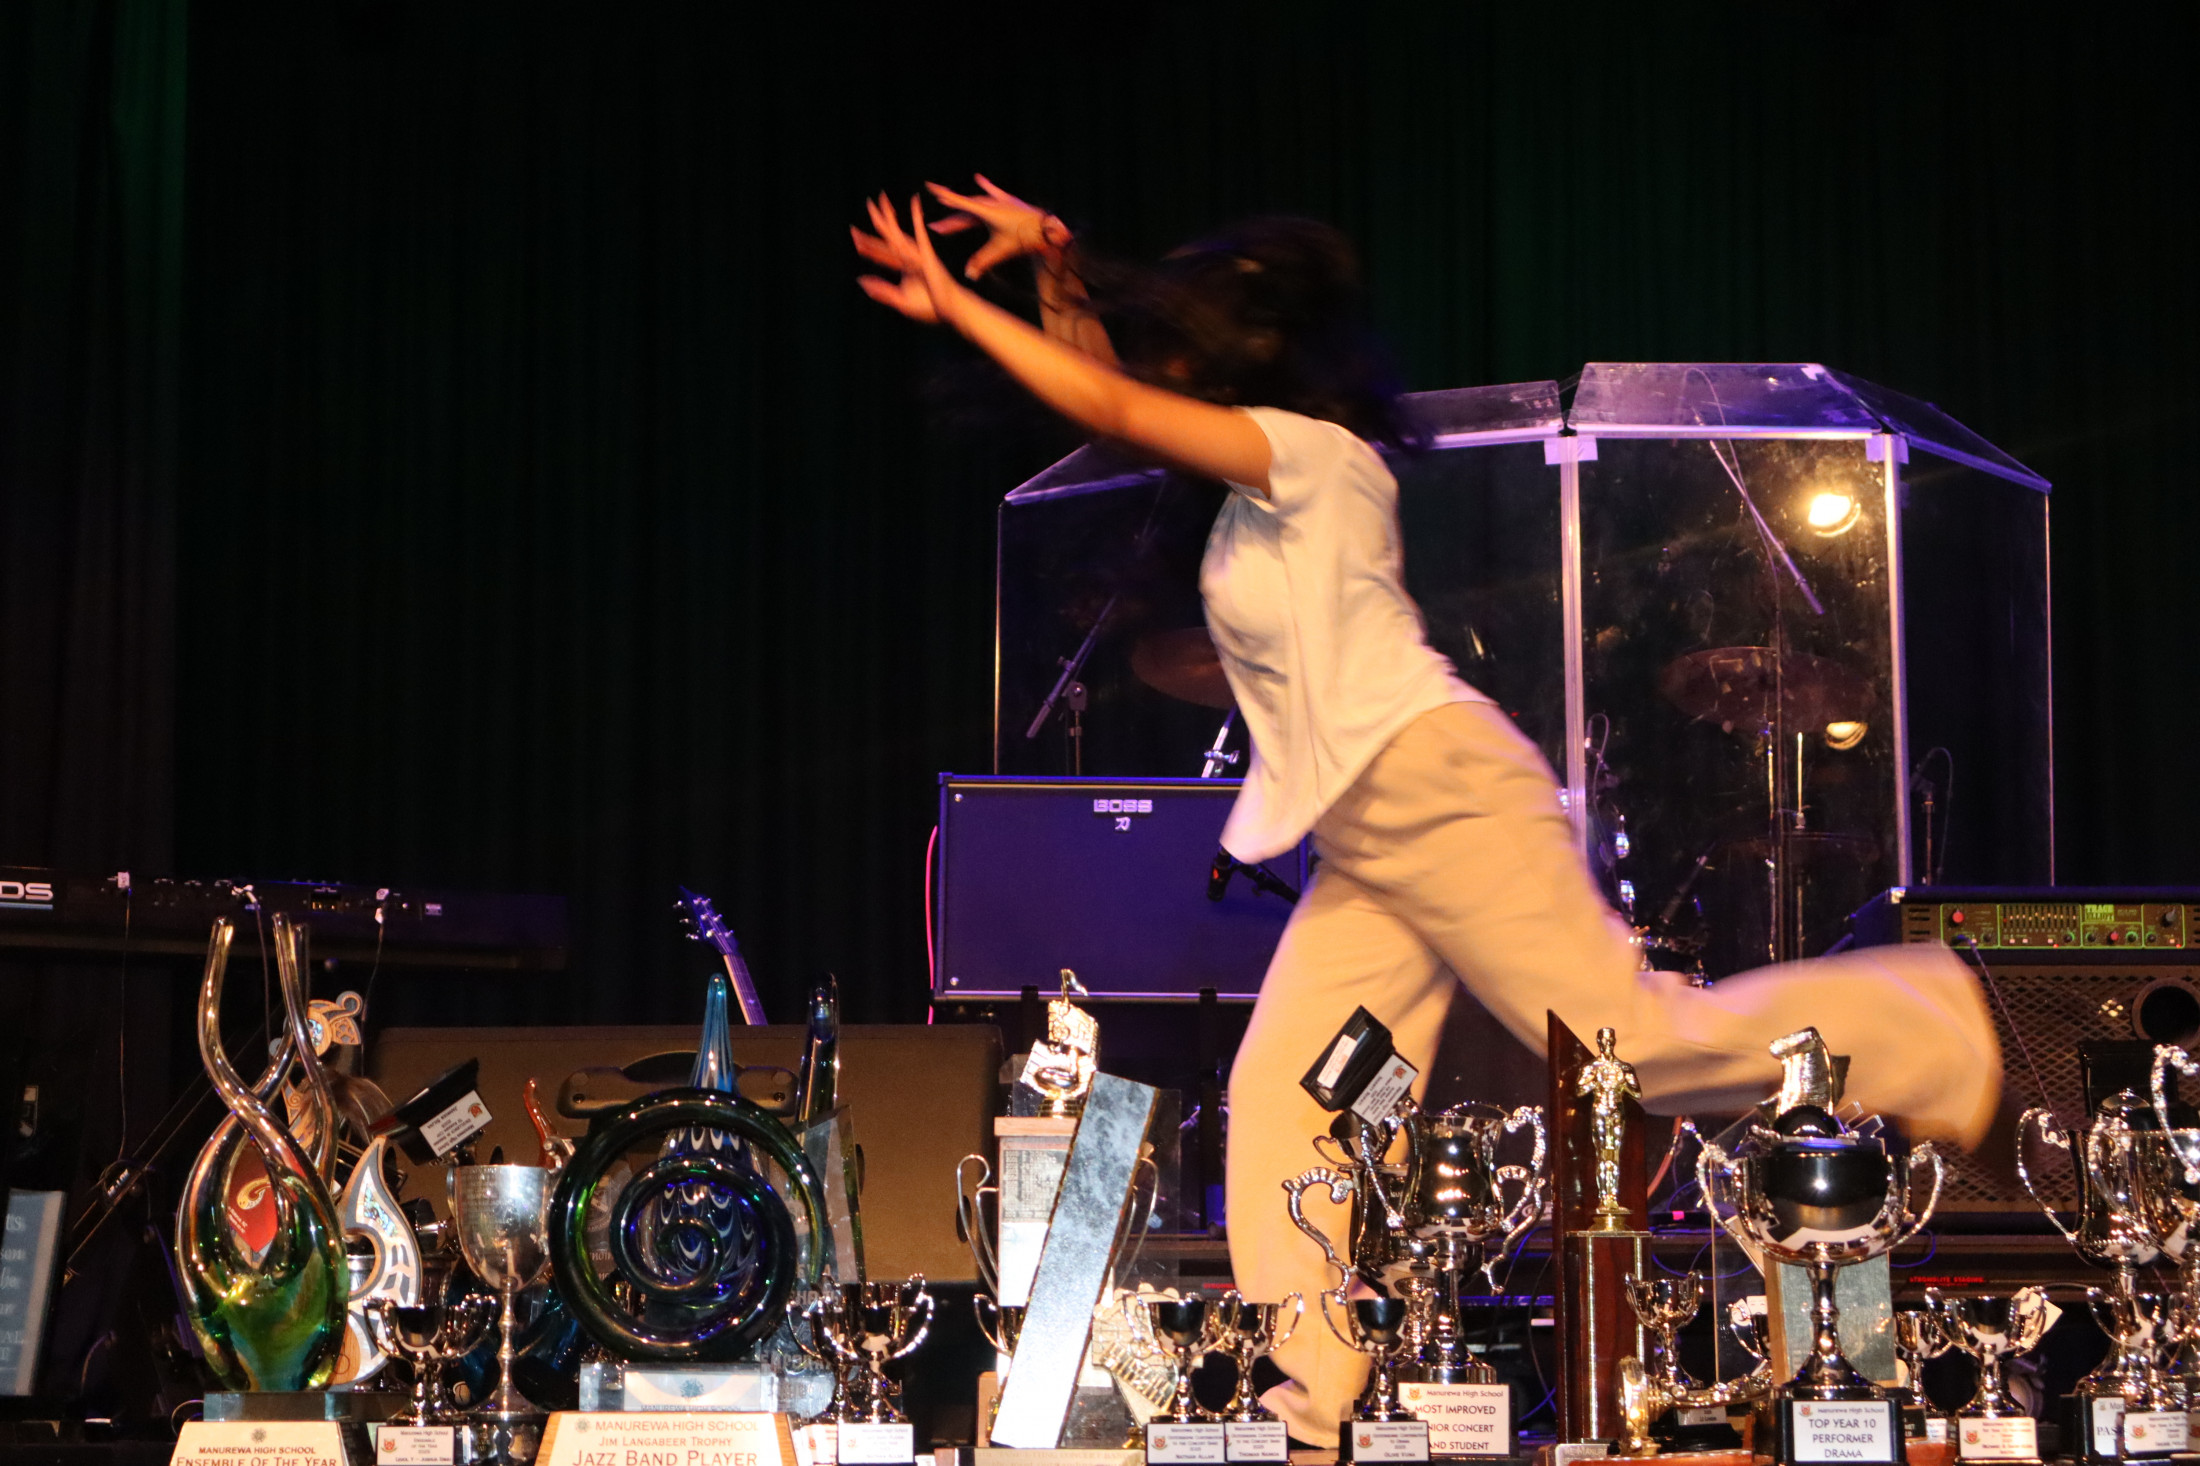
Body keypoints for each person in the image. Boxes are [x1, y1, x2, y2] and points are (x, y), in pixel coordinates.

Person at [854, 180, 2000, 1445]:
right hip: (1369, 840)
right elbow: (1123, 411)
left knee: (1634, 1041)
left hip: (1439, 792)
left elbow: (1113, 404)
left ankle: (1922, 1022)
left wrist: (957, 300)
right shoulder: (1258, 482)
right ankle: (1314, 1401)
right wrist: (1055, 274)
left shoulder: (1312, 456)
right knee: (1289, 1095)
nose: (1169, 359)